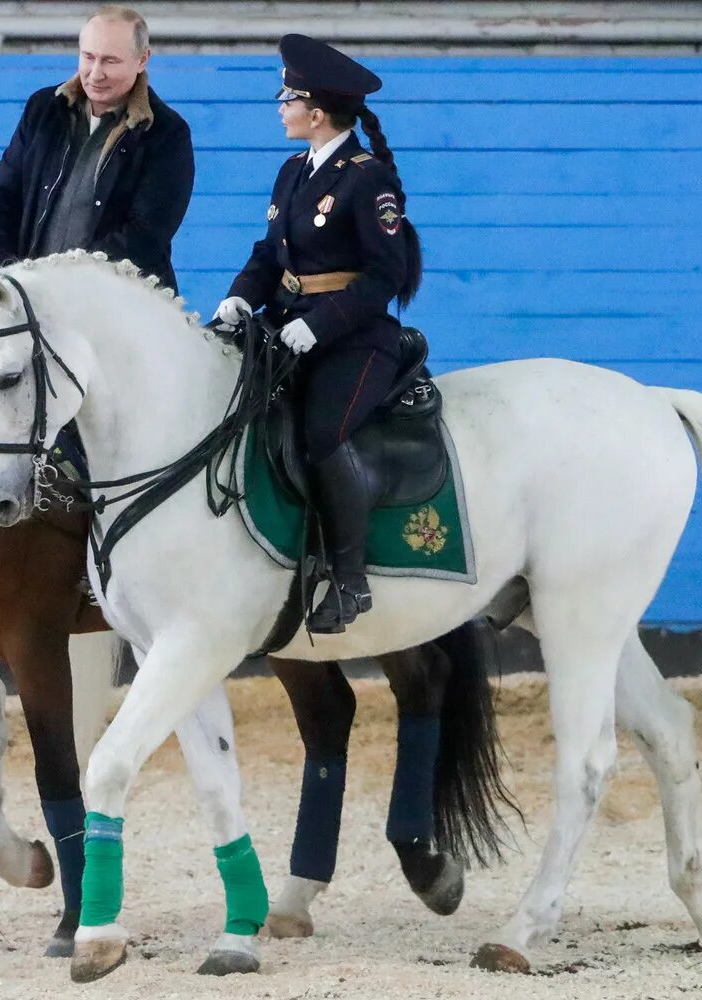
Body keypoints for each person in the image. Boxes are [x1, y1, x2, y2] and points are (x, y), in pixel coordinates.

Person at [214, 34, 424, 633]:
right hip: (286, 330)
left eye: (288, 96)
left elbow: (386, 274)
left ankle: (349, 578)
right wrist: (239, 298)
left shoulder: (368, 179)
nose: (280, 106)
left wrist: (319, 323)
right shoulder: (291, 172)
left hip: (355, 339)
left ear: (317, 111)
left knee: (322, 433)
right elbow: (268, 253)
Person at [0, 5, 194, 291]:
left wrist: (66, 284)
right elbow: (1, 197)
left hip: (118, 306)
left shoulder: (167, 133)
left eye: (110, 61)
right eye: (88, 57)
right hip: (29, 300)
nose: (95, 73)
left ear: (142, 60)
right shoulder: (43, 109)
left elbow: (145, 236)